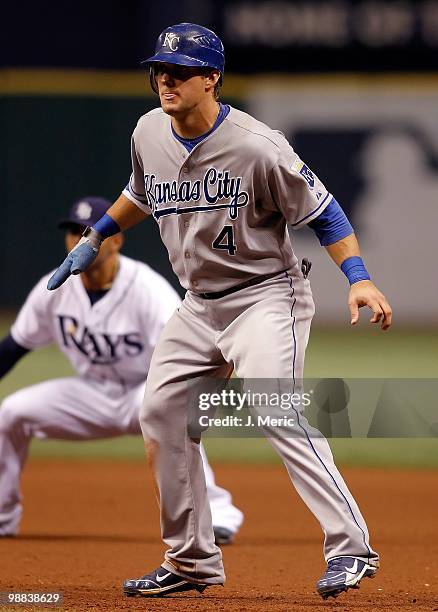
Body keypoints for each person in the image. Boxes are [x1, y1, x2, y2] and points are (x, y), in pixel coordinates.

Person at [47, 23, 392, 601]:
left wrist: (359, 278)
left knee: (274, 407)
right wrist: (97, 234)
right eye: (159, 70)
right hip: (198, 305)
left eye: (180, 72)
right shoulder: (148, 130)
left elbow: (326, 213)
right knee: (159, 412)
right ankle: (191, 562)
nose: (165, 80)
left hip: (265, 296)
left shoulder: (259, 145)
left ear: (212, 79)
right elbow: (140, 190)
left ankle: (352, 550)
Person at [0, 196, 243, 544]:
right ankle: (2, 516)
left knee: (170, 413)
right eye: (72, 232)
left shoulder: (146, 289)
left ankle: (219, 514)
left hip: (143, 390)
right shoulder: (54, 288)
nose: (78, 240)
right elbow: (13, 348)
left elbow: (190, 349)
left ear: (115, 238)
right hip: (90, 394)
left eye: (88, 232)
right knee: (11, 413)